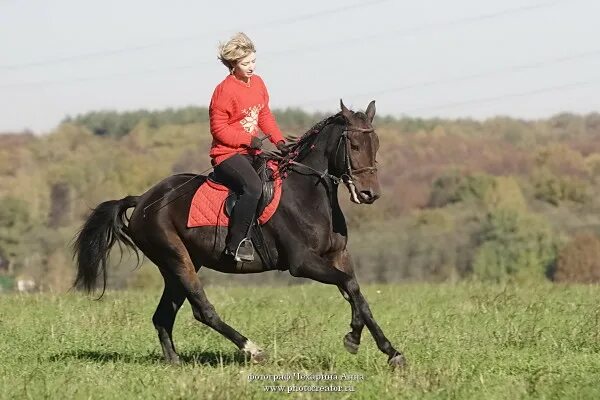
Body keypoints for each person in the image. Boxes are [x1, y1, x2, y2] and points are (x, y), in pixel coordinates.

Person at [209, 32, 286, 262]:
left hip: (252, 152)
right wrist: (246, 139)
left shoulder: (258, 83)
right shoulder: (224, 90)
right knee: (252, 187)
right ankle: (236, 245)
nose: (251, 67)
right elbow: (219, 130)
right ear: (233, 64)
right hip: (227, 155)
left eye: (253, 61)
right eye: (245, 63)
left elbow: (264, 114)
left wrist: (278, 140)